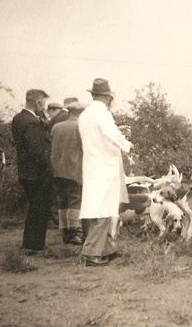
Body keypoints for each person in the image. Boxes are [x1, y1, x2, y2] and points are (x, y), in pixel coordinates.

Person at [78, 78, 132, 267]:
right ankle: (91, 253)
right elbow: (110, 135)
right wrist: (127, 145)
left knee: (104, 208)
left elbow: (101, 135)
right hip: (104, 166)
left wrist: (118, 131)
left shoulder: (86, 114)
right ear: (108, 97)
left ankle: (108, 248)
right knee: (102, 209)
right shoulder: (102, 113)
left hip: (93, 165)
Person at [11, 89, 53, 255]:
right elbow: (37, 150)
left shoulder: (19, 119)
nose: (43, 107)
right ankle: (34, 245)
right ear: (38, 103)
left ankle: (31, 244)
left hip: (26, 171)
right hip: (37, 173)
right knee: (40, 209)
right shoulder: (31, 122)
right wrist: (48, 166)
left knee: (34, 208)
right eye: (43, 103)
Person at [50, 102, 86, 245]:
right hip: (74, 169)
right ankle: (75, 232)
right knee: (75, 201)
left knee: (63, 201)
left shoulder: (56, 127)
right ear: (80, 113)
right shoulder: (80, 127)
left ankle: (65, 232)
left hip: (57, 170)